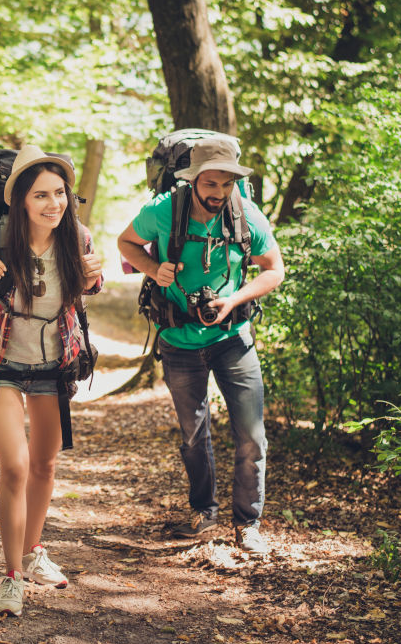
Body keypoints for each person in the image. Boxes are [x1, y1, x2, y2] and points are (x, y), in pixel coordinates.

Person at [0, 145, 103, 616]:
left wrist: (96, 277)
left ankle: (33, 552)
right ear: (20, 200)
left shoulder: (77, 238)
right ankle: (11, 576)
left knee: (45, 466)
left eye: (59, 193)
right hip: (1, 366)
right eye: (41, 195)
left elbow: (87, 288)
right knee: (15, 466)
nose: (53, 204)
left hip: (55, 368)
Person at [116, 137, 284, 554]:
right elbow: (125, 243)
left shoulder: (246, 215)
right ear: (193, 181)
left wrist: (234, 300)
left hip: (233, 339)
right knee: (194, 436)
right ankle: (204, 511)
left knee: (252, 435)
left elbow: (274, 269)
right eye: (211, 184)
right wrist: (156, 270)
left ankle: (248, 524)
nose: (219, 194)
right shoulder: (164, 211)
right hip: (178, 342)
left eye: (226, 185)